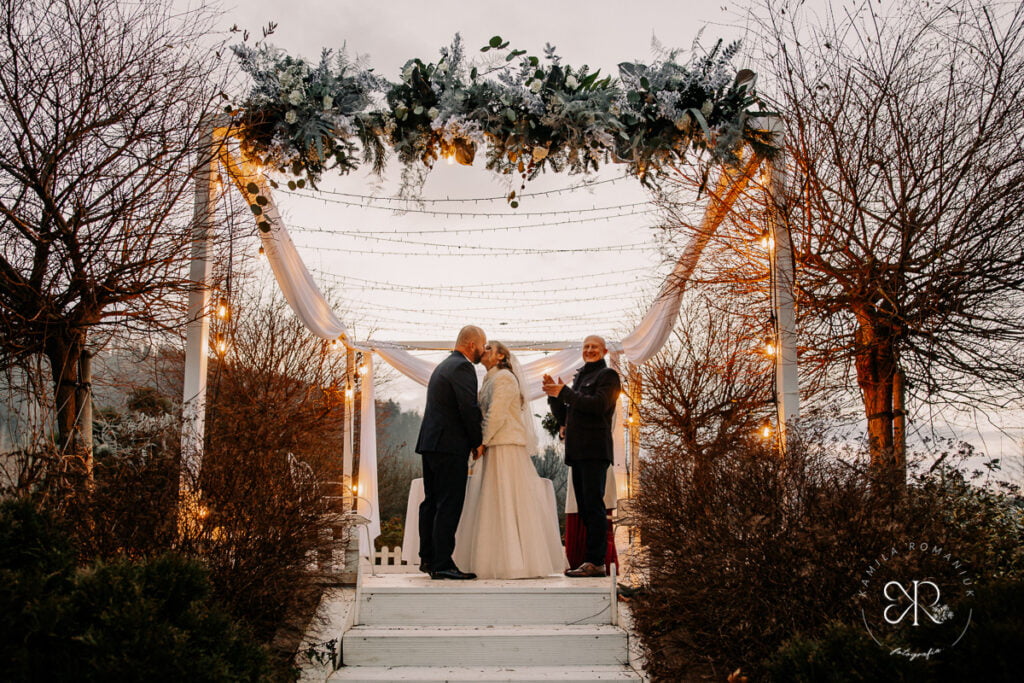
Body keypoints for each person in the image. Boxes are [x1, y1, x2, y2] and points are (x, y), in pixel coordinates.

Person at [454, 341, 567, 579]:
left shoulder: (504, 378)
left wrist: (481, 442)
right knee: (495, 502)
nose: (483, 351)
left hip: (505, 444)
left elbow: (497, 414)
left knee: (508, 499)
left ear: (500, 355)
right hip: (497, 444)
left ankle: (516, 561)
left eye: (488, 348)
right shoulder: (490, 378)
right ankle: (496, 557)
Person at [543, 335, 621, 578]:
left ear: (604, 351)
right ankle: (589, 560)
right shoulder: (579, 378)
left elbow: (598, 405)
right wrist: (554, 395)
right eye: (586, 346)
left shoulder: (608, 377)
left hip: (595, 450)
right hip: (577, 451)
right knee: (586, 508)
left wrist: (565, 392)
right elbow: (567, 415)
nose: (589, 350)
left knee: (594, 505)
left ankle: (596, 562)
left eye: (594, 347)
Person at [415, 325, 486, 580]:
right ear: (471, 345)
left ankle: (428, 559)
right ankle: (443, 562)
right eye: (482, 345)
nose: (483, 351)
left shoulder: (444, 365)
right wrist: (477, 441)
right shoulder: (463, 367)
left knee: (432, 502)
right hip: (450, 445)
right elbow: (468, 407)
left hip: (432, 443)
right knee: (449, 503)